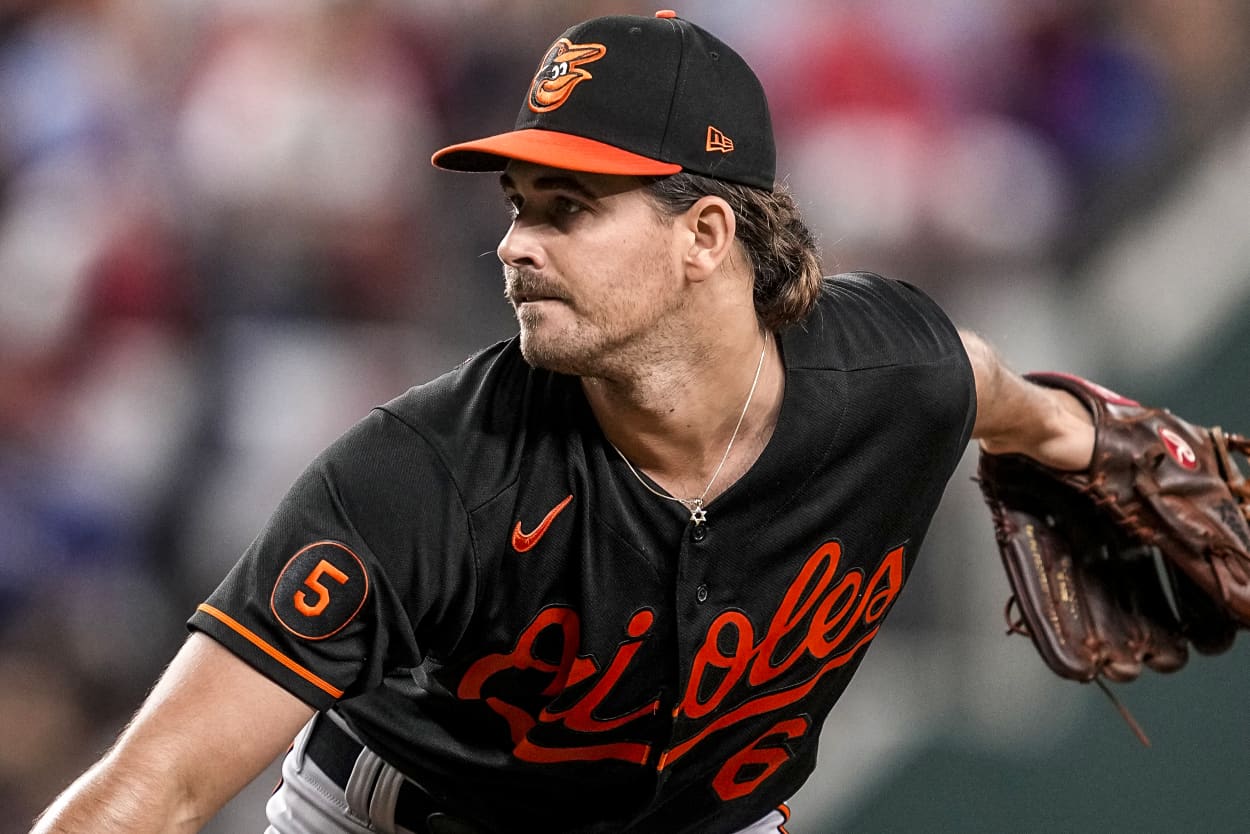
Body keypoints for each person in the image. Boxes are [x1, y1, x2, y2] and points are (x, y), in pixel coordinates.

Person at [31, 11, 1095, 834]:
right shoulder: (427, 471)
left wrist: (1088, 446)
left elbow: (996, 392)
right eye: (517, 206)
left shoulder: (888, 371)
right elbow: (159, 783)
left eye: (568, 209)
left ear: (705, 233)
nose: (515, 246)